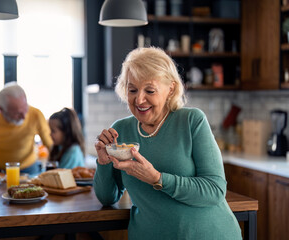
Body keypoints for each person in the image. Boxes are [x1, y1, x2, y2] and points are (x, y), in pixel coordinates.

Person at [94, 47, 241, 240]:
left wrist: (157, 178)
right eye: (132, 90)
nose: (139, 99)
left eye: (150, 90)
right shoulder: (120, 130)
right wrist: (103, 163)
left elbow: (214, 190)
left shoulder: (191, 121)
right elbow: (107, 197)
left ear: (170, 89)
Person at [0, 82, 53, 175]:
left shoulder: (36, 114)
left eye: (26, 109)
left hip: (28, 169)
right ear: (1, 109)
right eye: (17, 113)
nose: (24, 117)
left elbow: (50, 144)